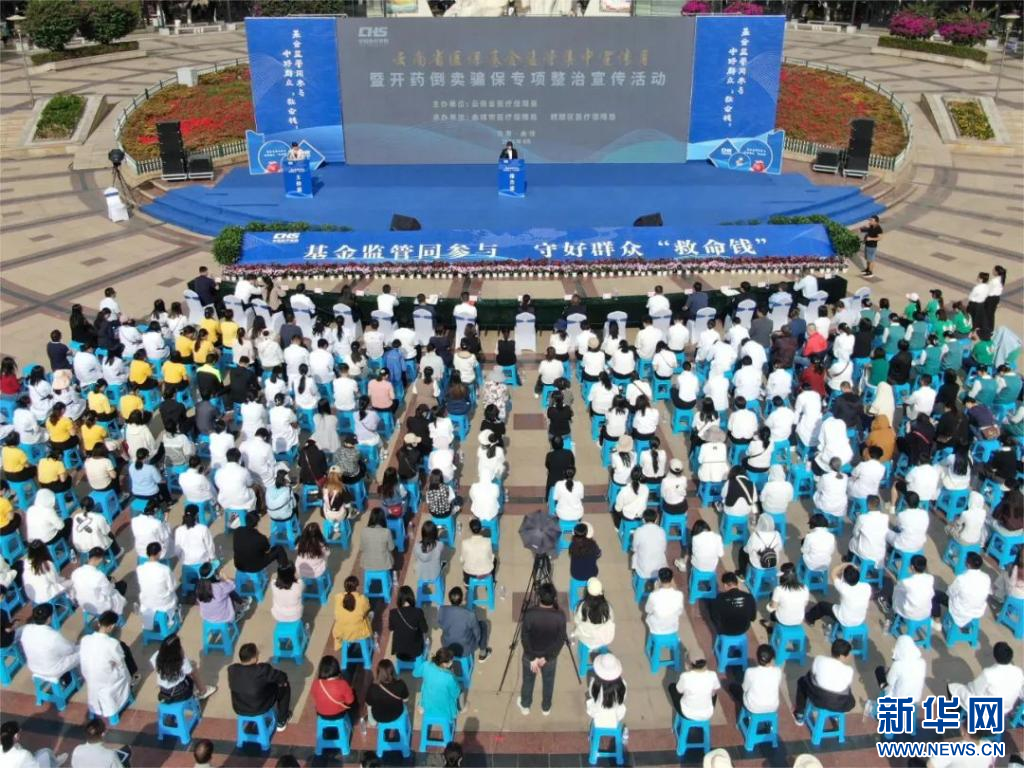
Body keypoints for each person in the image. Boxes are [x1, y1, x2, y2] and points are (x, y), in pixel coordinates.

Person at [518, 582, 566, 716]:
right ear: (554, 598)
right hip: (549, 657)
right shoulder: (560, 616)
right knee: (548, 682)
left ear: (539, 597)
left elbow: (524, 637)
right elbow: (560, 640)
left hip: (530, 655)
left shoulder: (530, 614)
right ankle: (546, 707)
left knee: (528, 680)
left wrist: (532, 658)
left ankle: (525, 705)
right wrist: (548, 657)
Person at [79, 611, 134, 721]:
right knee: (124, 668)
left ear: (99, 623)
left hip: (88, 675)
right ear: (112, 626)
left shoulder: (85, 639)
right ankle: (126, 692)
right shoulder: (112, 643)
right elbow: (120, 661)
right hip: (106, 679)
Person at [948, 641, 1024, 715]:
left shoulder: (988, 673)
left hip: (986, 709)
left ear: (995, 656)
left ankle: (956, 712)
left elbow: (975, 690)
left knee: (953, 688)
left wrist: (968, 686)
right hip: (1004, 709)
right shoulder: (1019, 672)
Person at [227, 643, 291, 731]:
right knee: (284, 686)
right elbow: (282, 677)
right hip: (259, 708)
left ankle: (250, 723)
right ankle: (282, 720)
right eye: (257, 653)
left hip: (239, 708)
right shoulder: (262, 670)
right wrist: (281, 682)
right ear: (253, 658)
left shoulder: (232, 669)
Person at [793, 639, 856, 724]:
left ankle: (800, 713)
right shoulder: (849, 671)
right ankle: (836, 716)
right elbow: (846, 688)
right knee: (850, 697)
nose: (850, 656)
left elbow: (811, 675)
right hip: (838, 705)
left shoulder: (819, 659)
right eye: (849, 654)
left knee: (802, 681)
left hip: (816, 699)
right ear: (841, 656)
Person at [151, 633, 216, 703]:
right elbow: (190, 671)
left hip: (164, 692)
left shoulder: (156, 656)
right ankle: (203, 691)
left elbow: (157, 669)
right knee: (193, 669)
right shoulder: (180, 659)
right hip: (180, 694)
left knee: (184, 672)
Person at [873, 634, 926, 717]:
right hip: (915, 698)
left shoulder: (897, 665)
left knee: (879, 671)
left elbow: (889, 683)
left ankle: (881, 711)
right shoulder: (922, 662)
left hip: (898, 699)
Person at [806, 563, 871, 629]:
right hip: (859, 620)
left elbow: (833, 573)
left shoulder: (843, 588)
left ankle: (809, 618)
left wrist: (845, 564)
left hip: (845, 620)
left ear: (845, 578)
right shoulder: (867, 587)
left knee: (822, 606)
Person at [71, 547, 127, 619]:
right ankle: (113, 616)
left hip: (85, 605)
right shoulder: (99, 575)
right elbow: (108, 592)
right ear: (100, 559)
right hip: (100, 606)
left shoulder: (75, 572)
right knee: (122, 585)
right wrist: (112, 584)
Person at [438, 586, 490, 661]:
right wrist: (475, 642)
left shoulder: (442, 610)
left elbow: (440, 625)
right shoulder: (470, 615)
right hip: (466, 650)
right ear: (462, 600)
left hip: (447, 645)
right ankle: (483, 654)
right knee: (483, 624)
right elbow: (477, 634)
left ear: (449, 599)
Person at [389, 585, 429, 666]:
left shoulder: (393, 613)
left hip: (399, 652)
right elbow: (425, 629)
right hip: (415, 652)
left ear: (399, 599)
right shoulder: (418, 612)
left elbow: (391, 628)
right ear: (412, 597)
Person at [586, 653, 627, 729]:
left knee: (589, 699)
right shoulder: (622, 684)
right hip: (616, 717)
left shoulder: (594, 683)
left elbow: (592, 695)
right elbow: (623, 698)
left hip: (598, 717)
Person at [420, 647, 463, 723]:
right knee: (461, 689)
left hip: (426, 704)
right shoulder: (449, 677)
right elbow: (456, 693)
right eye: (450, 661)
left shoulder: (426, 665)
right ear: (444, 664)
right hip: (445, 709)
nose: (452, 662)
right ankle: (460, 708)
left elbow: (415, 673)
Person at [0, 720, 67, 768]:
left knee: (44, 752)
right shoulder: (24, 754)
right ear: (16, 736)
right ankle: (55, 764)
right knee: (46, 752)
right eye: (20, 733)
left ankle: (56, 763)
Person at [709, 571, 756, 637]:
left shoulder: (719, 598)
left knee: (711, 604)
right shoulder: (749, 597)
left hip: (725, 630)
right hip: (744, 629)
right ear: (737, 584)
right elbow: (753, 618)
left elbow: (714, 617)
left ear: (725, 585)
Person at [332, 576, 372, 652]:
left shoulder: (338, 597)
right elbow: (367, 608)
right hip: (358, 632)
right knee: (368, 616)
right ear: (357, 587)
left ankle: (341, 646)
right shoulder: (362, 599)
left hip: (341, 632)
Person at [765, 564, 810, 631]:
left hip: (783, 620)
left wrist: (768, 607)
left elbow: (773, 607)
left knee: (772, 598)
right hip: (799, 620)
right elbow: (805, 604)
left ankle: (771, 624)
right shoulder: (805, 588)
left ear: (782, 576)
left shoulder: (779, 589)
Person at [311, 656, 355, 723]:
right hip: (338, 714)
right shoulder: (343, 684)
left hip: (321, 714)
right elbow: (350, 701)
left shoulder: (315, 683)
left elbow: (314, 696)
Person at [366, 660, 410, 726]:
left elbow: (368, 703)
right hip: (397, 713)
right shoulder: (400, 684)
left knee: (369, 706)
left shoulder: (373, 688)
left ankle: (372, 721)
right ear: (393, 671)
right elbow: (406, 699)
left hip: (379, 717)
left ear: (378, 672)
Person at [742, 644, 783, 716]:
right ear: (772, 660)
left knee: (736, 688)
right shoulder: (778, 671)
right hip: (773, 707)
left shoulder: (750, 671)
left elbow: (745, 688)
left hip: (753, 707)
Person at [645, 566, 683, 637]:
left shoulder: (654, 595)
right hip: (672, 627)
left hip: (656, 628)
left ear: (659, 579)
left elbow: (648, 610)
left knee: (650, 615)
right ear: (672, 579)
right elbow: (679, 612)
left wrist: (654, 591)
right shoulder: (679, 595)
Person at [632, 508, 668, 579]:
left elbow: (634, 548)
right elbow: (664, 548)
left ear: (643, 520)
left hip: (644, 569)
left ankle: (635, 573)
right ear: (656, 520)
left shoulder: (639, 531)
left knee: (634, 555)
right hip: (659, 568)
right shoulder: (661, 531)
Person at [459, 518, 495, 588]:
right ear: (481, 529)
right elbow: (491, 557)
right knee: (495, 560)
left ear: (470, 530)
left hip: (470, 573)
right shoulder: (488, 541)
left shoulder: (465, 543)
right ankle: (491, 582)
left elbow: (462, 559)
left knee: (465, 567)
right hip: (486, 572)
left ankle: (467, 583)